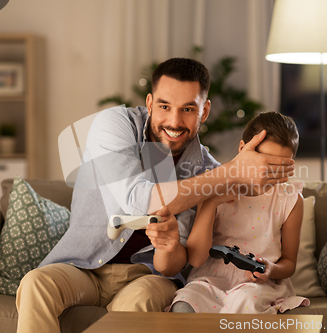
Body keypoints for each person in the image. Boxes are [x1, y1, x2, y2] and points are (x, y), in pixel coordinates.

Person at [15, 58, 295, 333]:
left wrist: (170, 245)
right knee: (36, 283)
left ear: (205, 111)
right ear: (149, 103)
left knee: (140, 301)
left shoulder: (207, 170)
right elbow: (138, 200)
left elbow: (178, 263)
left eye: (188, 109)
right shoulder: (114, 125)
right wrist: (231, 171)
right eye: (164, 106)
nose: (174, 121)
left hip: (148, 276)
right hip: (82, 264)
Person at [169, 111, 309, 314]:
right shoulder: (214, 184)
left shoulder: (290, 199)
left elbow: (289, 263)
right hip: (209, 280)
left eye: (280, 167)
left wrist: (270, 269)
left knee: (245, 301)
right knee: (184, 305)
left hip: (257, 286)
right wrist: (212, 201)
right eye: (266, 162)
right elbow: (196, 259)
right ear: (243, 149)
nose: (269, 173)